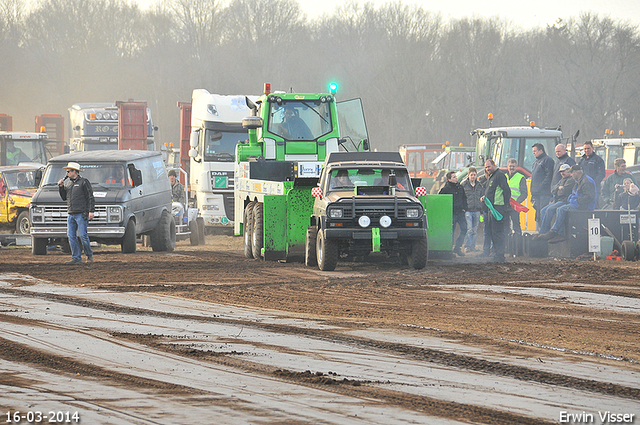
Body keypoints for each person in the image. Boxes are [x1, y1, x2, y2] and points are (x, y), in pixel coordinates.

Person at [537, 164, 596, 243]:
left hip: (584, 206)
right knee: (559, 209)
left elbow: (589, 197)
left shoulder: (586, 182)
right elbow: (572, 193)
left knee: (561, 209)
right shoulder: (579, 180)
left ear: (576, 172)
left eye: (571, 173)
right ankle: (553, 232)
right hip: (576, 203)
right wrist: (571, 199)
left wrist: (576, 201)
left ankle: (555, 232)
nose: (571, 175)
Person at [58, 161, 94, 264]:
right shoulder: (69, 183)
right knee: (71, 236)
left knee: (83, 235)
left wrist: (91, 211)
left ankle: (88, 255)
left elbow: (90, 197)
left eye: (68, 171)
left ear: (75, 171)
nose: (67, 173)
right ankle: (76, 257)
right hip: (71, 214)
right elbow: (64, 197)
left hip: (81, 214)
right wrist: (61, 188)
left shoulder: (84, 182)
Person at [480, 159, 511, 262]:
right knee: (493, 232)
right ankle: (496, 254)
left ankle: (500, 255)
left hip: (498, 208)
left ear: (494, 165)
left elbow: (506, 190)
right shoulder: (492, 176)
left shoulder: (499, 175)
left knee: (498, 232)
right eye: (486, 167)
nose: (487, 169)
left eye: (489, 166)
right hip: (491, 208)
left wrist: (505, 205)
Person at [537, 163, 576, 236]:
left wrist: (557, 190)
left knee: (549, 210)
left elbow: (564, 192)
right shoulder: (562, 180)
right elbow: (552, 190)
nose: (562, 173)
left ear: (568, 170)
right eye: (561, 172)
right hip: (557, 200)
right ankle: (546, 230)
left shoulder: (571, 180)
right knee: (543, 211)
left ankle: (543, 232)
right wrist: (558, 188)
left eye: (563, 171)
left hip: (564, 201)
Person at [439, 171, 468, 256]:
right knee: (451, 232)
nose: (456, 178)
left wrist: (465, 208)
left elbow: (464, 198)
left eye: (456, 176)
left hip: (460, 213)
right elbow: (440, 200)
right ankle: (449, 250)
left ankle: (457, 247)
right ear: (449, 179)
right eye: (454, 177)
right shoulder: (445, 189)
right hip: (451, 213)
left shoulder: (460, 187)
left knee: (464, 228)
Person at [530, 143, 555, 225]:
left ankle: (544, 232)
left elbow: (549, 176)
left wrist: (541, 187)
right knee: (538, 215)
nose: (534, 153)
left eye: (535, 151)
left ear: (541, 150)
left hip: (544, 193)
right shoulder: (536, 162)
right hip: (536, 193)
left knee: (543, 213)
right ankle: (540, 231)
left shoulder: (547, 160)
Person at [461, 166, 484, 252]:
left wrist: (481, 211)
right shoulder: (463, 185)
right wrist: (463, 208)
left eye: (474, 175)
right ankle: (467, 246)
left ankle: (472, 247)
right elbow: (461, 197)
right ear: (468, 175)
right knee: (469, 229)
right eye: (471, 175)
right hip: (468, 210)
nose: (473, 176)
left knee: (475, 230)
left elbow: (482, 197)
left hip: (477, 210)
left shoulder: (479, 185)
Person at [578, 141, 605, 205]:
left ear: (592, 148)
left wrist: (593, 183)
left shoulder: (598, 160)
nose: (586, 150)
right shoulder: (582, 160)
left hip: (594, 188)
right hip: (583, 188)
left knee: (594, 206)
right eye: (585, 149)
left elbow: (602, 174)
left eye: (588, 148)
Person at [505, 158, 528, 235]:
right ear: (507, 166)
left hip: (514, 206)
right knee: (505, 226)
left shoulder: (521, 177)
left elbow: (524, 193)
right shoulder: (504, 177)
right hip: (505, 204)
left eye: (513, 166)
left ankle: (518, 243)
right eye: (510, 166)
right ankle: (507, 243)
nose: (512, 168)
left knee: (516, 226)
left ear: (516, 167)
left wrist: (516, 203)